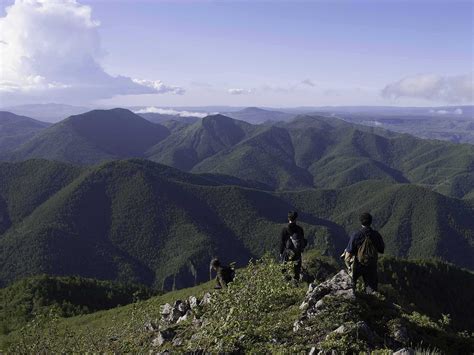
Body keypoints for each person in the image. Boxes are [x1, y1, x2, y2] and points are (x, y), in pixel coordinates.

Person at [343, 212, 385, 294]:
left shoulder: (356, 235)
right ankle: (370, 302)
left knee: (352, 283)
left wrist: (348, 266)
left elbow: (349, 253)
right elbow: (381, 249)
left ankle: (353, 298)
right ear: (371, 221)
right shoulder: (376, 235)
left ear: (361, 222)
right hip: (371, 266)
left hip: (358, 265)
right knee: (370, 289)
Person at [279, 211, 307, 281]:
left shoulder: (284, 229)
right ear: (296, 219)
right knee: (296, 272)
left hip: (287, 252)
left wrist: (281, 252)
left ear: (288, 218)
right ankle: (296, 285)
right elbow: (302, 241)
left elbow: (282, 242)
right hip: (297, 253)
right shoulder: (300, 229)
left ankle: (286, 284)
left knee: (284, 270)